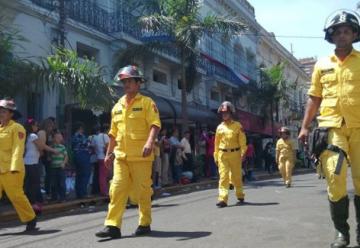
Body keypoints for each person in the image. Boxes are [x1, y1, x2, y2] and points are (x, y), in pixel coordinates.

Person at [298, 10, 360, 248]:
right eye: (338, 32)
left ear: (354, 34)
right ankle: (341, 233)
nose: (342, 35)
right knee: (335, 176)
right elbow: (314, 97)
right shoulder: (322, 65)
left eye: (347, 31)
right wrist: (304, 127)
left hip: (359, 127)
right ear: (331, 36)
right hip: (332, 128)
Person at [95, 65, 161, 239]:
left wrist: (149, 142)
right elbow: (113, 134)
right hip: (121, 157)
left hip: (141, 156)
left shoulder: (147, 103)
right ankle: (112, 226)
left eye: (130, 81)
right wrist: (109, 154)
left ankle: (144, 222)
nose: (126, 84)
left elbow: (154, 125)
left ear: (138, 83)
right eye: (124, 82)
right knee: (116, 189)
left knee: (143, 191)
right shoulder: (117, 106)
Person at [0, 98, 37, 231]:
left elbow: (18, 148)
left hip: (11, 169)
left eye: (3, 111)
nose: (0, 114)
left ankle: (30, 218)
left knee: (16, 196)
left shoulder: (17, 128)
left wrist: (15, 166)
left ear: (11, 114)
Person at [214, 101, 247, 208]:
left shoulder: (238, 126)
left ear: (231, 113)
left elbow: (242, 140)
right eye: (223, 113)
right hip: (222, 154)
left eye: (226, 113)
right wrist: (215, 155)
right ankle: (222, 199)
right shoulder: (219, 127)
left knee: (236, 177)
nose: (224, 115)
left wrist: (243, 152)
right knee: (223, 177)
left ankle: (240, 194)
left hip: (236, 154)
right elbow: (216, 143)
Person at [24, 118, 58, 214]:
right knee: (34, 184)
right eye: (36, 125)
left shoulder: (27, 135)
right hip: (32, 162)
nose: (37, 127)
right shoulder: (33, 136)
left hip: (28, 162)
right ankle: (34, 204)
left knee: (29, 184)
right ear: (32, 126)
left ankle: (31, 204)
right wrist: (53, 150)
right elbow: (41, 146)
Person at [72, 122, 92, 199]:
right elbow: (87, 144)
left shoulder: (73, 136)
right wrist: (90, 140)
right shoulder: (80, 136)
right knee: (85, 174)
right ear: (80, 128)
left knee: (79, 174)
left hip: (76, 155)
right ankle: (83, 193)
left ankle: (79, 193)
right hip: (83, 155)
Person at [91, 125, 110, 196]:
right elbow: (108, 146)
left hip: (98, 157)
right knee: (104, 175)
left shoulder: (95, 137)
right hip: (105, 157)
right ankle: (104, 191)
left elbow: (93, 147)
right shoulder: (105, 136)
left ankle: (101, 190)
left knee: (101, 175)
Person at [49, 131, 68, 202]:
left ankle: (62, 197)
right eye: (57, 137)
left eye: (60, 137)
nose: (58, 139)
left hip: (60, 167)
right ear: (53, 138)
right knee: (53, 183)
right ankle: (54, 197)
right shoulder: (51, 147)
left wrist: (64, 163)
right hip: (53, 167)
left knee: (61, 183)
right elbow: (50, 156)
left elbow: (66, 156)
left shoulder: (62, 147)